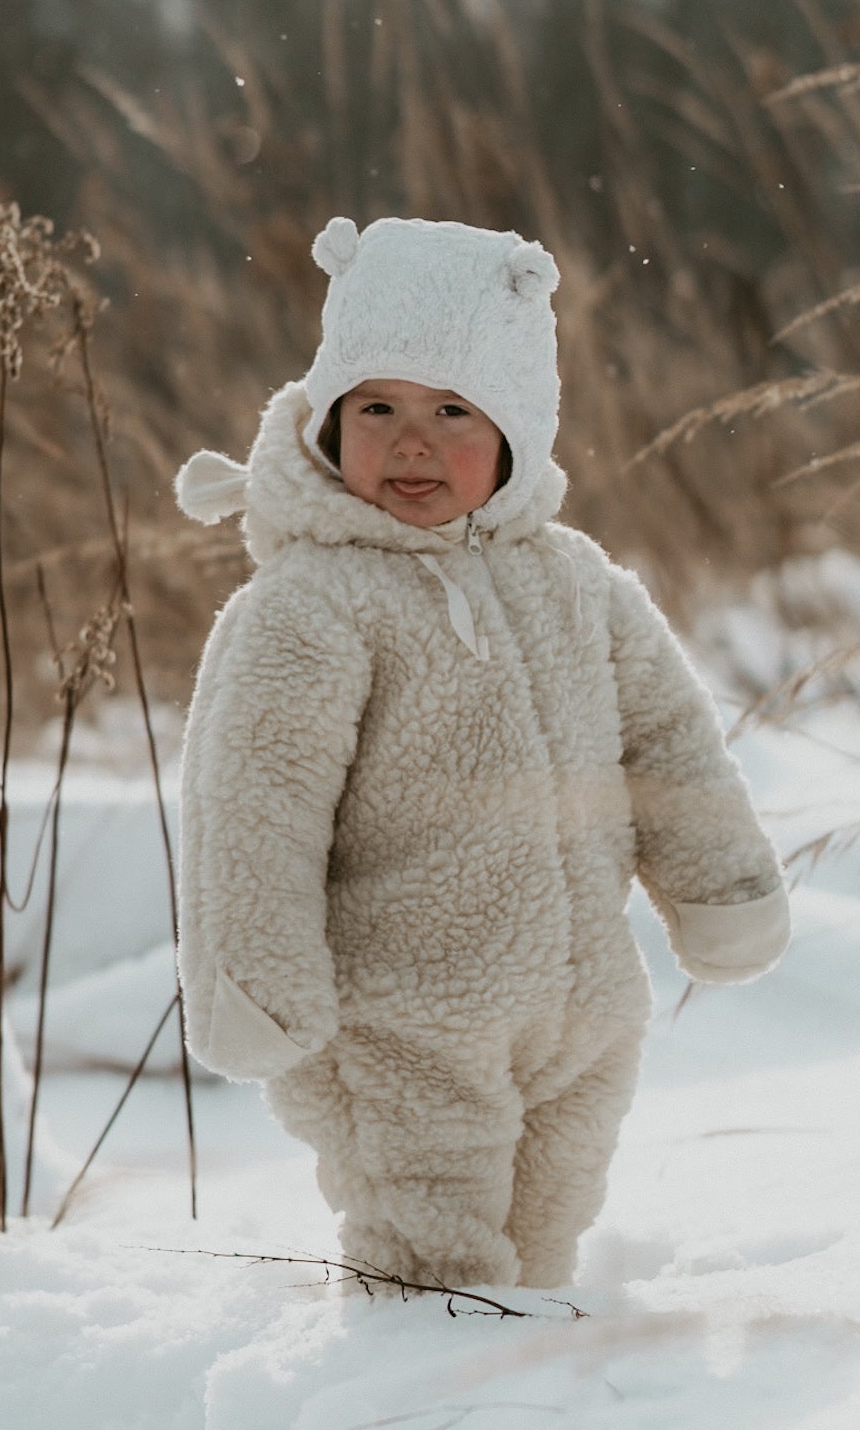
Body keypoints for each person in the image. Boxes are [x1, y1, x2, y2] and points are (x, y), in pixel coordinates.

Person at [174, 215, 788, 1290]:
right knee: (438, 1281)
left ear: (518, 429)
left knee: (539, 1259)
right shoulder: (311, 606)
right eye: (377, 408)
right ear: (328, 423)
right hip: (400, 1022)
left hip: (585, 1012)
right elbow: (255, 800)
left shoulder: (574, 579)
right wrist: (255, 974)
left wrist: (719, 886)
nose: (411, 442)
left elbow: (668, 742)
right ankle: (411, 1429)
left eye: (451, 410)